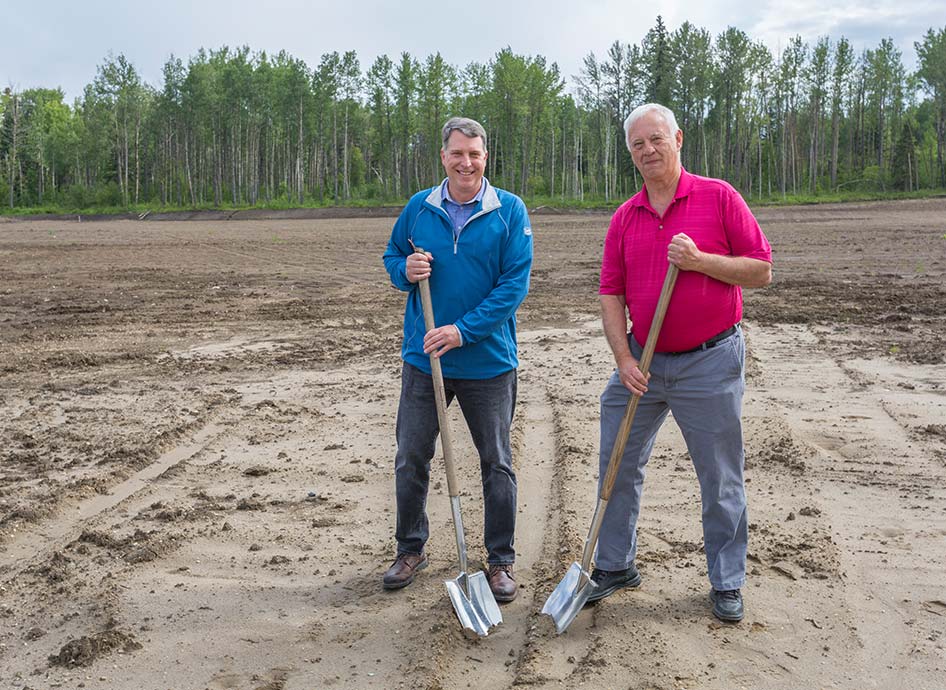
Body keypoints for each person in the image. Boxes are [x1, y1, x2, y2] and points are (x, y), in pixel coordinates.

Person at [589, 103, 772, 622]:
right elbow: (610, 293)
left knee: (719, 475)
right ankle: (614, 564)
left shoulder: (718, 197)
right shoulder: (626, 216)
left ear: (678, 139)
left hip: (709, 362)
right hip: (642, 365)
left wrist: (699, 262)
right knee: (617, 461)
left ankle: (726, 580)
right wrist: (623, 358)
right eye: (637, 145)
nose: (648, 150)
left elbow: (761, 271)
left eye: (656, 139)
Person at [381, 116, 533, 602]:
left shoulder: (509, 210)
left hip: (488, 362)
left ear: (486, 156)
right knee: (411, 456)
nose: (465, 162)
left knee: (496, 463)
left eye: (474, 153)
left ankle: (500, 561)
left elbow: (514, 286)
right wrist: (404, 269)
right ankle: (410, 548)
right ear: (443, 156)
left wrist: (462, 331)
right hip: (425, 360)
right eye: (456, 153)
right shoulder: (418, 208)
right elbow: (391, 258)